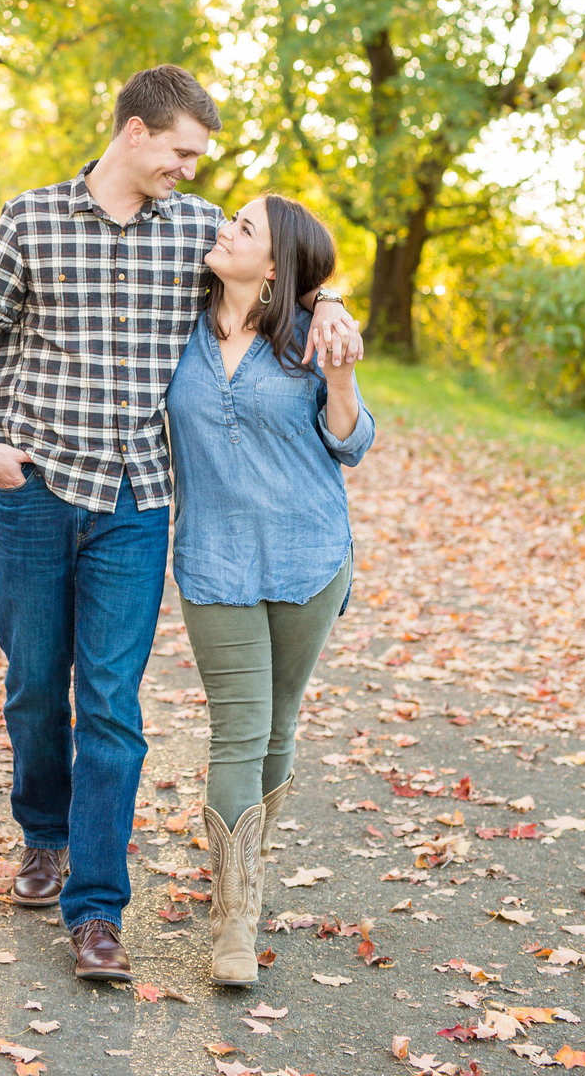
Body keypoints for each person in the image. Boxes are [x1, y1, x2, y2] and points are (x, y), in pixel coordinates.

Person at [0, 66, 362, 982]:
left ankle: (97, 910)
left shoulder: (196, 233)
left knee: (110, 702)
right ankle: (43, 836)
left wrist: (329, 301)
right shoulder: (31, 218)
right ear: (135, 132)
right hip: (35, 487)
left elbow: (280, 283)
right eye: (181, 152)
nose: (191, 171)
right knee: (30, 688)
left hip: (136, 506)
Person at [167, 192, 375, 985]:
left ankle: (245, 877)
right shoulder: (176, 320)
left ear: (276, 264)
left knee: (280, 723)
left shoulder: (311, 335)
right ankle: (234, 926)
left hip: (309, 557)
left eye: (244, 228)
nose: (225, 229)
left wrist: (342, 372)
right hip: (214, 561)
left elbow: (351, 443)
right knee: (238, 732)